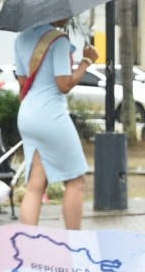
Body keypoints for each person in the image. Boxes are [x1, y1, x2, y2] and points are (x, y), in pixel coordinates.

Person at [13, 18, 98, 229]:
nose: (69, 16)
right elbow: (64, 84)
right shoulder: (58, 40)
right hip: (51, 115)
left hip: (27, 115)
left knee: (35, 186)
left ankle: (26, 242)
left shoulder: (21, 38)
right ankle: (73, 242)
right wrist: (87, 61)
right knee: (75, 181)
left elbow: (23, 83)